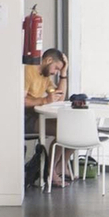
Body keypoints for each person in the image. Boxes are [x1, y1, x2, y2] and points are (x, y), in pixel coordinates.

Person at [23, 46, 68, 187]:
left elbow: (60, 98)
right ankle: (51, 170)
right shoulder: (28, 71)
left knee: (70, 130)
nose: (55, 72)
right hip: (24, 119)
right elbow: (20, 101)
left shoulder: (46, 78)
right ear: (48, 60)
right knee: (64, 131)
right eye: (56, 68)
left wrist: (64, 74)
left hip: (36, 117)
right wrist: (44, 100)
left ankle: (56, 167)